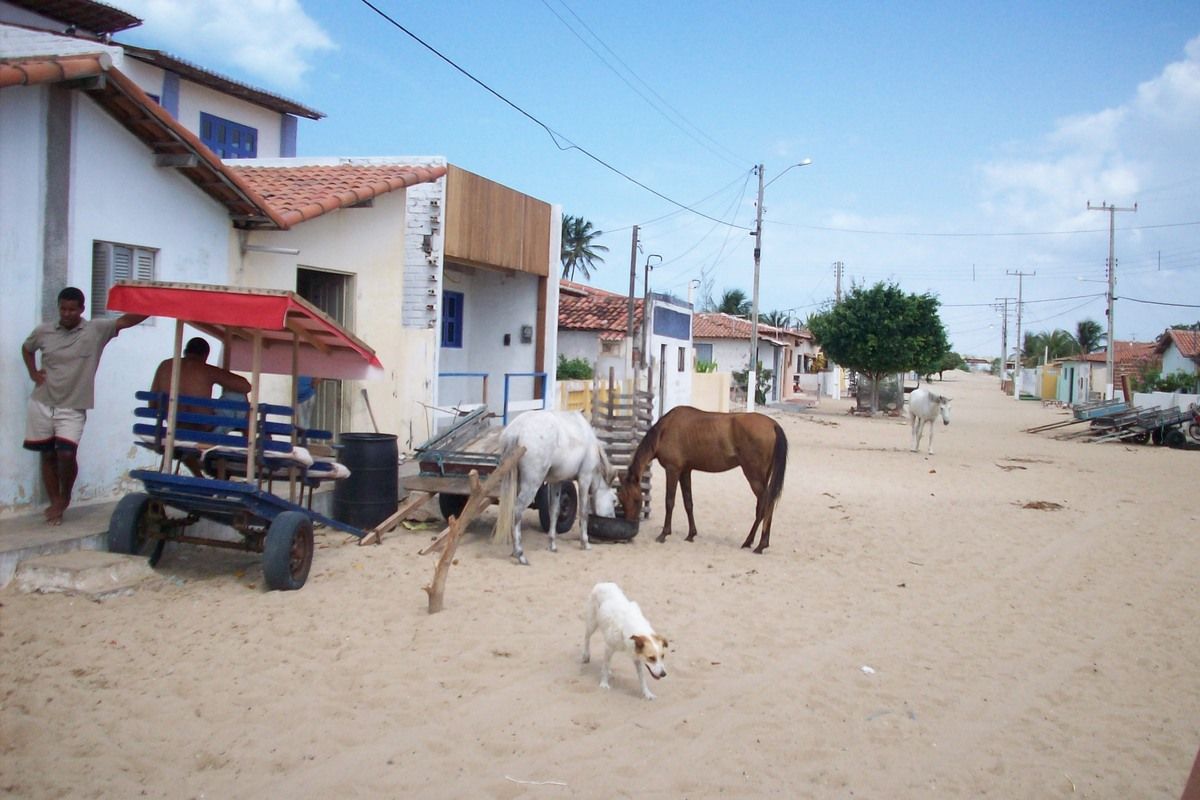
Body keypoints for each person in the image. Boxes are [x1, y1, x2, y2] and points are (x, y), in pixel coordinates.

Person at [22, 287, 147, 525]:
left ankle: (64, 498)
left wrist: (152, 305)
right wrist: (33, 373)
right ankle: (55, 502)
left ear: (82, 309)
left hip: (74, 405)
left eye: (72, 309)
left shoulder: (96, 330)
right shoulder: (43, 331)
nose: (67, 314)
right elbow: (27, 349)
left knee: (67, 453)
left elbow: (125, 321)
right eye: (63, 309)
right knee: (48, 454)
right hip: (42, 402)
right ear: (58, 308)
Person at [149, 337, 252, 476]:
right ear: (205, 355)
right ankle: (248, 442)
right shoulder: (206, 369)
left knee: (187, 434)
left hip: (174, 428)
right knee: (239, 396)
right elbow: (245, 386)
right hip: (205, 431)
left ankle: (198, 474)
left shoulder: (165, 366)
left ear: (186, 351)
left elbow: (152, 404)